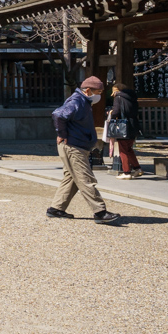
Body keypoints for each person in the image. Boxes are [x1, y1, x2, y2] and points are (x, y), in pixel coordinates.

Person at [48, 76, 120, 224]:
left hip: (78, 145)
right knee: (85, 178)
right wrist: (62, 134)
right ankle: (99, 212)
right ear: (88, 90)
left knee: (72, 179)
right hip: (73, 146)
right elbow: (58, 115)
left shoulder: (83, 101)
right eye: (98, 92)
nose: (99, 95)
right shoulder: (77, 101)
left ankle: (56, 208)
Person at [107, 80, 143, 179]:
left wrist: (110, 113)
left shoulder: (118, 97)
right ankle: (137, 168)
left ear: (118, 90)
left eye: (113, 91)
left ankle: (126, 172)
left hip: (123, 126)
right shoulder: (133, 98)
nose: (112, 94)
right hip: (133, 125)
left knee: (123, 150)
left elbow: (116, 112)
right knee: (129, 149)